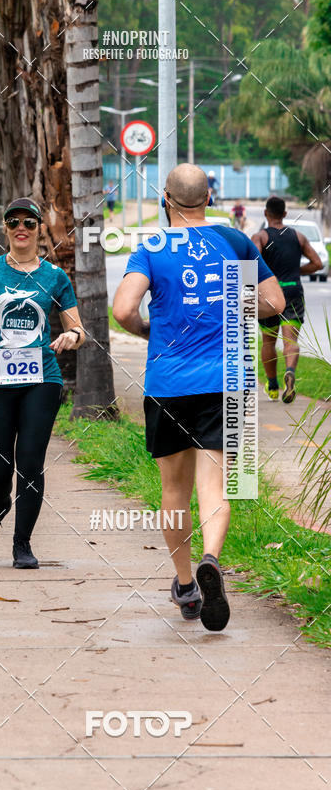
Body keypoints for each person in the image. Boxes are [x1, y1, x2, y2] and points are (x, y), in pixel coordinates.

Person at [113, 164, 284, 631]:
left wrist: (149, 329)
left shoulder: (151, 247)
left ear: (166, 199)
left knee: (174, 490)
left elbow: (123, 309)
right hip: (228, 379)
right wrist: (235, 307)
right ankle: (212, 557)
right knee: (216, 484)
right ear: (208, 199)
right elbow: (275, 304)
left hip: (170, 383)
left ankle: (187, 584)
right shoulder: (234, 241)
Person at [0, 197, 85, 569]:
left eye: (29, 223)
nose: (21, 228)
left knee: (30, 462)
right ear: (5, 228)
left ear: (38, 230)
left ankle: (22, 544)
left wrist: (70, 338)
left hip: (41, 380)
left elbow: (77, 327)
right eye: (13, 222)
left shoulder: (54, 276)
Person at [252, 196, 323, 403]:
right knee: (290, 340)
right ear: (284, 214)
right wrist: (296, 270)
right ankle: (290, 371)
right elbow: (317, 263)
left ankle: (272, 385)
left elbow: (253, 261)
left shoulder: (261, 237)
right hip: (293, 291)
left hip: (269, 294)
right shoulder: (298, 237)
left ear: (266, 213)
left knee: (268, 341)